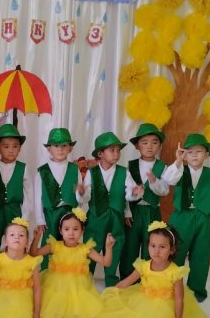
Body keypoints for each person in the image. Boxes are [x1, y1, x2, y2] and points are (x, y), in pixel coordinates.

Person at [97, 221, 209, 318]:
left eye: (162, 247)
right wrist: (111, 293)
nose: (156, 251)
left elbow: (179, 299)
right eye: (153, 246)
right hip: (143, 300)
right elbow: (125, 283)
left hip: (166, 306)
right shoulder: (143, 266)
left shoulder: (175, 272)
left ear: (172, 250)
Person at [166, 133, 210, 302]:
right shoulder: (179, 170)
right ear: (184, 155)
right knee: (177, 251)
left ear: (207, 154)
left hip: (203, 216)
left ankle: (196, 289)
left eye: (199, 151)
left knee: (200, 254)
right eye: (190, 152)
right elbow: (169, 179)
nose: (194, 155)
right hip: (181, 216)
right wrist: (178, 161)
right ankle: (170, 286)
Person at [30, 208, 115, 318]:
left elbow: (106, 262)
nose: (71, 233)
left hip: (77, 286)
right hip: (56, 283)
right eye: (67, 229)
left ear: (82, 231)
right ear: (60, 231)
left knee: (77, 301)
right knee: (51, 300)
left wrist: (108, 247)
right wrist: (37, 238)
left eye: (75, 229)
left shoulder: (85, 248)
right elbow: (34, 253)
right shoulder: (55, 245)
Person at [123, 123, 184, 277]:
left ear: (160, 145)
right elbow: (125, 191)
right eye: (144, 142)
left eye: (154, 142)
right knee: (130, 245)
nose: (149, 146)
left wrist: (153, 181)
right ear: (137, 146)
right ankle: (127, 276)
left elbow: (164, 191)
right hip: (133, 211)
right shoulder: (130, 166)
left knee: (151, 244)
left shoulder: (162, 167)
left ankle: (149, 277)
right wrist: (126, 212)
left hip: (152, 211)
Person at [78, 131, 131, 287]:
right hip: (96, 218)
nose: (116, 154)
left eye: (118, 150)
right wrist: (81, 192)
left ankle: (111, 282)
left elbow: (128, 194)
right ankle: (86, 280)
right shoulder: (91, 173)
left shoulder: (124, 172)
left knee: (115, 247)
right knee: (91, 247)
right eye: (112, 150)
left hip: (116, 219)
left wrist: (135, 194)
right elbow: (86, 196)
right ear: (100, 153)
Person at [0, 217, 46, 318]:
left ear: (27, 242)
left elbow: (37, 288)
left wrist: (36, 312)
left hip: (23, 299)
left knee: (19, 317)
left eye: (21, 235)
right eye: (12, 235)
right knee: (0, 316)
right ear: (5, 241)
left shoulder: (32, 262)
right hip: (1, 297)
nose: (17, 237)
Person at [34, 127, 82, 269]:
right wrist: (40, 219)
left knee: (69, 242)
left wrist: (79, 210)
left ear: (70, 148)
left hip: (69, 213)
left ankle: (66, 270)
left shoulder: (75, 169)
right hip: (50, 213)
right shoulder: (42, 171)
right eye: (56, 146)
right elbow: (38, 197)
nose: (60, 149)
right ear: (49, 149)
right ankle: (46, 270)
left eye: (64, 145)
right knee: (49, 241)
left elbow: (80, 194)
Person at [0, 123, 32, 253]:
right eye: (6, 146)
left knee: (16, 243)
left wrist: (25, 217)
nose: (11, 150)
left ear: (20, 148)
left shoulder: (23, 168)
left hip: (15, 212)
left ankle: (16, 265)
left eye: (15, 146)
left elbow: (28, 194)